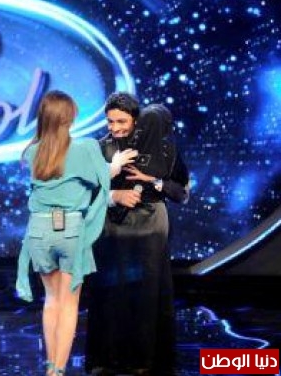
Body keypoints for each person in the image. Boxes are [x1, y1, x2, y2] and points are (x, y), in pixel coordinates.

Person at [16, 90, 136, 376]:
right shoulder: (85, 148)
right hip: (69, 231)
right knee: (68, 303)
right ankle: (58, 370)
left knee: (51, 300)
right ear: (68, 118)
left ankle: (50, 367)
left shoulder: (32, 152)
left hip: (38, 232)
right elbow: (101, 177)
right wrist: (116, 164)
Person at [84, 92, 190, 376]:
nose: (115, 127)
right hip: (111, 225)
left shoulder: (165, 149)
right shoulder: (100, 147)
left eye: (122, 121)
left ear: (136, 120)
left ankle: (145, 360)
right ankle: (107, 360)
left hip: (151, 225)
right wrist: (114, 195)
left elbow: (182, 193)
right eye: (110, 121)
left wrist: (153, 181)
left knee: (147, 295)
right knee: (109, 292)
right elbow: (83, 192)